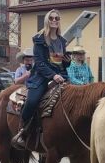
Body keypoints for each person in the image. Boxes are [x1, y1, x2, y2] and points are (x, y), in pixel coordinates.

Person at [12, 9, 70, 149]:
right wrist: (53, 75)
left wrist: (66, 61)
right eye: (51, 18)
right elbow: (39, 62)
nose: (54, 20)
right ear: (47, 20)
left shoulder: (62, 41)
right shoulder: (39, 39)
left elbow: (60, 62)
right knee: (32, 101)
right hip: (41, 76)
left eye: (57, 18)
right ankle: (22, 131)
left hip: (61, 76)